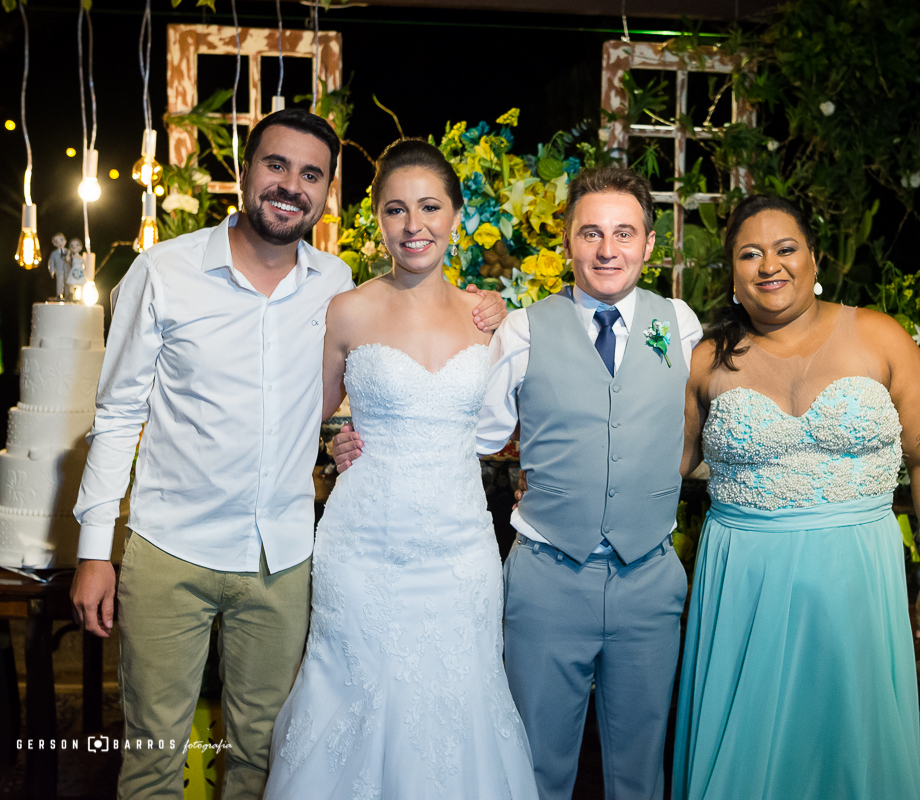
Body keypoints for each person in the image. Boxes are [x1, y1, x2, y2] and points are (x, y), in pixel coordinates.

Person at [68, 109, 506, 800]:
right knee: (152, 762)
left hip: (282, 557)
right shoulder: (164, 272)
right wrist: (95, 548)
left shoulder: (335, 285)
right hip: (169, 548)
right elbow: (118, 412)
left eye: (311, 174)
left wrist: (341, 440)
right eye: (276, 165)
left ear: (327, 193)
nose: (290, 185)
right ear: (245, 172)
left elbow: (338, 389)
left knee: (261, 760)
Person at [332, 165, 705, 799]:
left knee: (643, 772)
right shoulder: (523, 328)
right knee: (537, 769)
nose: (607, 249)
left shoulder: (683, 326)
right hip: (549, 576)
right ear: (567, 240)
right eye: (591, 232)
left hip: (651, 577)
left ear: (648, 244)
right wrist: (360, 435)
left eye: (624, 233)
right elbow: (468, 431)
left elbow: (694, 430)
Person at [263, 138, 538, 799]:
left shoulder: (490, 320)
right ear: (378, 220)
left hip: (459, 553)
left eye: (429, 207)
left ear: (456, 214)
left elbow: (521, 425)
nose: (413, 226)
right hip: (362, 548)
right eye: (395, 210)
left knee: (458, 703)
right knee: (350, 697)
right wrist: (333, 445)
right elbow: (309, 414)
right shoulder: (347, 309)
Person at [671, 194, 920, 799]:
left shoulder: (878, 336)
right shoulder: (707, 360)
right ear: (732, 272)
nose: (768, 266)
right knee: (746, 750)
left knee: (848, 741)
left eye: (785, 249)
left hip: (857, 577)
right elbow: (662, 470)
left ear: (813, 257)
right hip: (744, 581)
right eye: (750, 254)